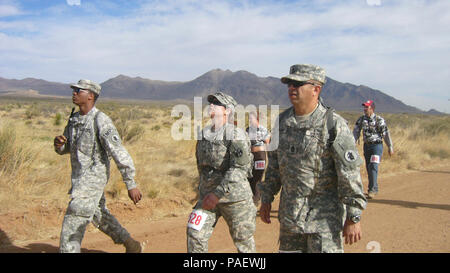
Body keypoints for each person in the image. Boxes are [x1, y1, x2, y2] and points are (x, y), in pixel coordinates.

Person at [258, 64, 367, 253]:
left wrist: (353, 216)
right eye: (289, 84)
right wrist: (266, 199)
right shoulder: (282, 123)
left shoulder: (334, 126)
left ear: (316, 89)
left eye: (298, 84)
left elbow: (349, 175)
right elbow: (275, 166)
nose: (292, 88)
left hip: (323, 223)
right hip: (290, 220)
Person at [54, 79, 144, 253]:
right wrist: (59, 145)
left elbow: (119, 152)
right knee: (99, 215)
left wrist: (130, 183)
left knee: (74, 218)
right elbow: (68, 147)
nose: (74, 93)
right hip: (79, 179)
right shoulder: (74, 119)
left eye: (78, 90)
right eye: (74, 90)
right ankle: (131, 244)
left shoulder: (101, 120)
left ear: (90, 96)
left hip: (94, 179)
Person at [187, 92, 256, 253]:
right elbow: (201, 166)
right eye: (211, 102)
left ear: (227, 111)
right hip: (208, 198)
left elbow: (239, 169)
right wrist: (203, 191)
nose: (211, 105)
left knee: (243, 243)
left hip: (235, 199)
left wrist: (218, 193)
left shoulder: (236, 134)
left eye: (217, 103)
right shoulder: (204, 134)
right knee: (194, 234)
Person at [353, 100, 394, 199]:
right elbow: (355, 132)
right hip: (367, 146)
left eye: (367, 107)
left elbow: (386, 134)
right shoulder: (361, 120)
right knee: (368, 167)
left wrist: (390, 147)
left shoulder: (379, 120)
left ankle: (373, 190)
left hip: (377, 147)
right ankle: (371, 188)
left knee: (373, 166)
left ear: (372, 108)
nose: (365, 109)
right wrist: (351, 144)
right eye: (364, 107)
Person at [246, 111, 271, 205]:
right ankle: (251, 197)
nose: (250, 120)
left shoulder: (262, 129)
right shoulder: (248, 130)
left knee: (258, 177)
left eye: (251, 118)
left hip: (260, 155)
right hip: (250, 156)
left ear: (257, 119)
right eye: (249, 118)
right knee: (250, 176)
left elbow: (267, 141)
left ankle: (256, 199)